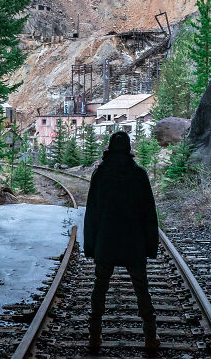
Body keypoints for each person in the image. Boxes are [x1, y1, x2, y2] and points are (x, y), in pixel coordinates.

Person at [83, 131, 160, 354]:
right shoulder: (139, 174)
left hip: (106, 241)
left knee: (100, 287)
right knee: (141, 288)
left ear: (109, 148)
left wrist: (91, 246)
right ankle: (150, 338)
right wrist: (150, 246)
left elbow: (92, 213)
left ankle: (94, 338)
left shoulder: (100, 175)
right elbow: (149, 214)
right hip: (133, 243)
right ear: (128, 149)